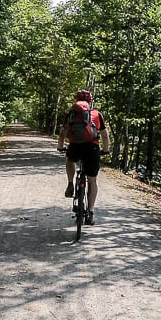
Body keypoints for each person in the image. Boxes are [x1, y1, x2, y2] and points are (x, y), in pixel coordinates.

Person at [57, 89, 110, 225]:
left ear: (76, 100)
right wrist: (105, 150)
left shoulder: (71, 114)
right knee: (92, 181)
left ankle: (70, 183)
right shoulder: (96, 114)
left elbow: (63, 133)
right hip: (92, 148)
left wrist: (61, 147)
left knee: (70, 160)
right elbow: (104, 135)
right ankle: (90, 212)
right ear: (90, 101)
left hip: (75, 146)